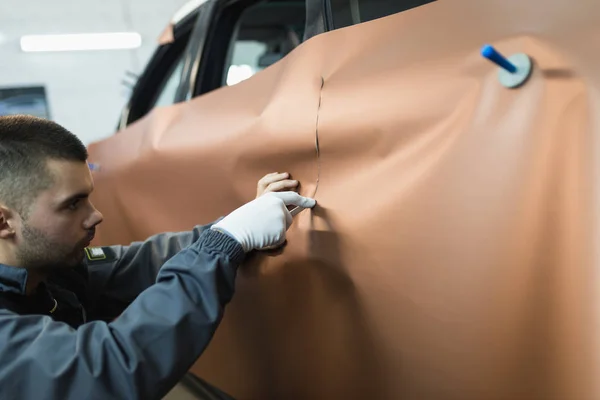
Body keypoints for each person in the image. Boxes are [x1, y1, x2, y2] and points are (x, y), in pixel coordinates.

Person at [0, 115, 316, 399]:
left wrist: (235, 226)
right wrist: (223, 244)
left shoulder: (48, 271)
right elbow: (104, 370)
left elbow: (139, 263)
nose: (95, 216)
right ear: (4, 222)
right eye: (72, 204)